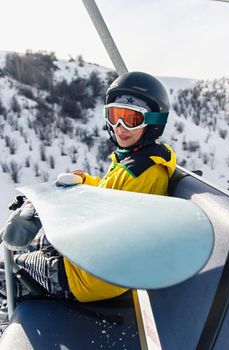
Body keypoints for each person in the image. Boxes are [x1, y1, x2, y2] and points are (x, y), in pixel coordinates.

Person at [0, 71, 176, 332]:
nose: (120, 128)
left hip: (91, 277)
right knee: (21, 248)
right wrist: (84, 183)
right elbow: (111, 194)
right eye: (116, 117)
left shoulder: (144, 173)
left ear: (152, 122)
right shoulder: (137, 160)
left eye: (132, 119)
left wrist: (57, 213)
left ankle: (11, 316)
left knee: (14, 267)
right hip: (92, 261)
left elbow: (110, 231)